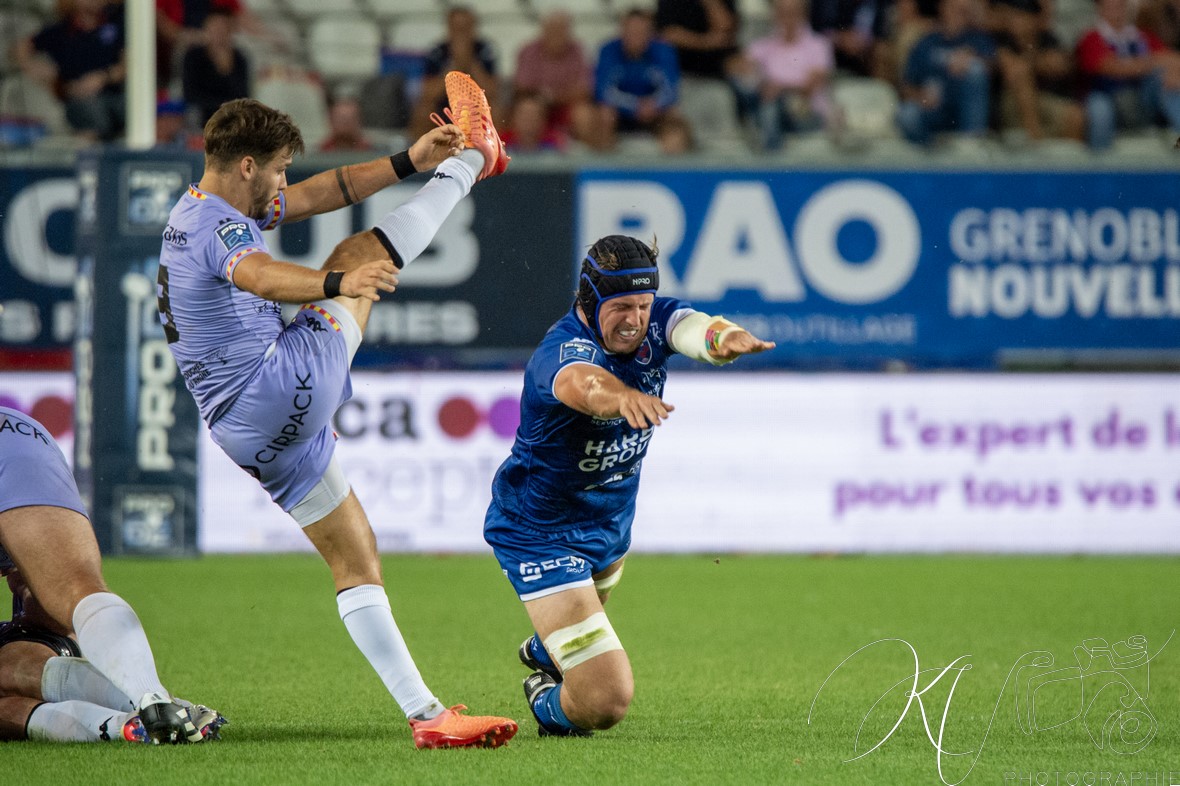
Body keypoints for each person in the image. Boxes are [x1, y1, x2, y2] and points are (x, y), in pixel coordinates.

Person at [156, 74, 515, 749]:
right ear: (246, 166)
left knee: (355, 559)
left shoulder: (203, 207)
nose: (285, 183)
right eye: (279, 170)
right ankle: (477, 157)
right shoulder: (219, 228)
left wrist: (411, 159)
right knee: (357, 256)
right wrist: (336, 284)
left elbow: (322, 193)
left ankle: (429, 716)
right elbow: (257, 276)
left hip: (244, 431)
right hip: (270, 387)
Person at [482, 236, 775, 737]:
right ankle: (545, 701)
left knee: (578, 645)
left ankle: (542, 648)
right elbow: (584, 384)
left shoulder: (651, 319)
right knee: (603, 702)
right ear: (590, 301)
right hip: (540, 530)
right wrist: (621, 398)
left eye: (642, 305)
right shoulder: (562, 350)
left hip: (611, 523)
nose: (634, 319)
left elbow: (691, 327)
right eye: (620, 307)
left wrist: (720, 338)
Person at [0, 407, 223, 744]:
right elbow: (54, 624)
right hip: (18, 435)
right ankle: (154, 701)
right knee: (77, 590)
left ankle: (118, 726)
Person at [733, 0, 840, 150]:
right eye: (781, 13)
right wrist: (753, 75)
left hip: (807, 113)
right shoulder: (762, 46)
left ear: (803, 15)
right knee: (760, 99)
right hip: (769, 109)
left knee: (771, 106)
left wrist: (779, 88)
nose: (786, 18)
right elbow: (738, 69)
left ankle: (771, 159)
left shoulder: (819, 45)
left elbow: (810, 87)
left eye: (792, 13)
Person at [1075, 0, 1180, 150]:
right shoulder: (1091, 38)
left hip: (1142, 101)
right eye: (1111, 4)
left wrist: (1166, 69)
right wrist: (1154, 62)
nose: (1116, 7)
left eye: (1120, 4)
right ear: (1099, 7)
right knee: (1099, 111)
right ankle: (1100, 166)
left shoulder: (1142, 37)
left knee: (1170, 81)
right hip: (1108, 98)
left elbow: (1172, 59)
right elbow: (1108, 66)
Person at [16, 0, 126, 142]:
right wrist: (34, 67)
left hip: (114, 95)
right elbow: (20, 49)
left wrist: (103, 78)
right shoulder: (61, 31)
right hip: (78, 99)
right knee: (94, 114)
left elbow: (129, 63)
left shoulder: (115, 24)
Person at [583, 8, 684, 152]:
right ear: (622, 31)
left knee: (674, 117)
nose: (636, 37)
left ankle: (672, 166)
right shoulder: (608, 51)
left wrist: (653, 105)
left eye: (641, 32)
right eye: (631, 32)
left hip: (655, 112)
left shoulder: (664, 51)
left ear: (650, 33)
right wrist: (634, 106)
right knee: (604, 114)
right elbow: (602, 91)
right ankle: (605, 167)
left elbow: (671, 90)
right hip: (620, 114)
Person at [896, 0, 996, 145]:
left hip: (965, 111)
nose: (959, 14)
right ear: (943, 9)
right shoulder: (927, 43)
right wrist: (921, 97)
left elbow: (995, 69)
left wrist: (972, 58)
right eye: (954, 9)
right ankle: (928, 156)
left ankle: (971, 144)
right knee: (907, 114)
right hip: (934, 110)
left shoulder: (978, 39)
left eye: (964, 11)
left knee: (976, 69)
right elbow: (906, 86)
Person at [993, 0, 1085, 142]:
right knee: (1023, 80)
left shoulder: (1048, 39)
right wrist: (1038, 63)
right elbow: (1012, 72)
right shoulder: (1003, 40)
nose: (1015, 22)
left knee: (1075, 115)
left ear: (1034, 20)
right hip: (1012, 104)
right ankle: (1036, 146)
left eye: (1021, 17)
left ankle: (1069, 163)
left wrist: (1032, 63)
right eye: (1014, 17)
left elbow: (1058, 65)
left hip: (1044, 99)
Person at [409, 6, 499, 140]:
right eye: (457, 29)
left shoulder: (484, 50)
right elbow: (429, 93)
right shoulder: (438, 52)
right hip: (443, 106)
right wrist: (454, 66)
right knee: (423, 111)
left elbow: (492, 90)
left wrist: (470, 62)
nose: (461, 34)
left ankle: (493, 154)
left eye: (465, 28)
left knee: (496, 109)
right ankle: (421, 155)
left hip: (476, 107)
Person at [513, 11, 593, 145]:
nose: (557, 34)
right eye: (552, 29)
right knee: (528, 109)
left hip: (566, 107)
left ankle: (584, 158)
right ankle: (523, 156)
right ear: (543, 30)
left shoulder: (578, 52)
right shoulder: (529, 51)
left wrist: (552, 96)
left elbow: (584, 90)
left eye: (561, 29)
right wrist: (545, 98)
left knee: (584, 114)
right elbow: (522, 88)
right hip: (537, 104)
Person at [181, 7, 250, 128]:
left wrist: (226, 69)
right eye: (214, 28)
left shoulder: (239, 58)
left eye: (223, 28)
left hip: (232, 117)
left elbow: (243, 94)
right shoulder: (193, 56)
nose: (218, 33)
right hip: (202, 115)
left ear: (230, 31)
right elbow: (190, 94)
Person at [655, 0, 741, 80]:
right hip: (682, 72)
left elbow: (725, 29)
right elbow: (668, 34)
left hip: (719, 72)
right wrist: (705, 42)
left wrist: (710, 3)